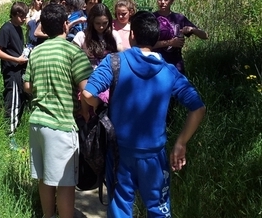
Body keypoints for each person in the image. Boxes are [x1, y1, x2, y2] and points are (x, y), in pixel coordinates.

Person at [82, 11, 206, 217]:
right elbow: (198, 108)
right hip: (154, 155)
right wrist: (180, 143)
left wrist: (99, 104)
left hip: (120, 153)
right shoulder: (168, 71)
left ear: (133, 36)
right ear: (156, 38)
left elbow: (88, 94)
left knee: (120, 208)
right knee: (158, 209)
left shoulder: (114, 62)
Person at [23, 3, 93, 218]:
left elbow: (27, 86)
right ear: (65, 25)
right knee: (64, 182)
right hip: (61, 125)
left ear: (43, 26)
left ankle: (47, 215)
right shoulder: (74, 52)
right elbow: (86, 92)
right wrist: (86, 111)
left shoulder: (36, 52)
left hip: (37, 123)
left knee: (45, 177)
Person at [0, 1, 30, 150]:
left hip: (20, 69)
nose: (24, 19)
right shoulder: (6, 29)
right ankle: (9, 135)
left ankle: (16, 128)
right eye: (22, 17)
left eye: (25, 16)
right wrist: (16, 60)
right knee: (12, 101)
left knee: (20, 100)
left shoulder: (18, 29)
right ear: (15, 14)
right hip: (11, 71)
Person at [153, 0, 208, 74]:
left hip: (176, 66)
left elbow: (205, 36)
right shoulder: (151, 18)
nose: (162, 2)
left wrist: (192, 29)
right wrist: (171, 43)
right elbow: (145, 45)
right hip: (156, 65)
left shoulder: (179, 18)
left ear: (173, 1)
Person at [73, 3, 122, 70]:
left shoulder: (114, 35)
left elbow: (121, 51)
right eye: (97, 23)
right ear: (91, 21)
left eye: (105, 23)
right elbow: (74, 58)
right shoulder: (81, 36)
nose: (101, 27)